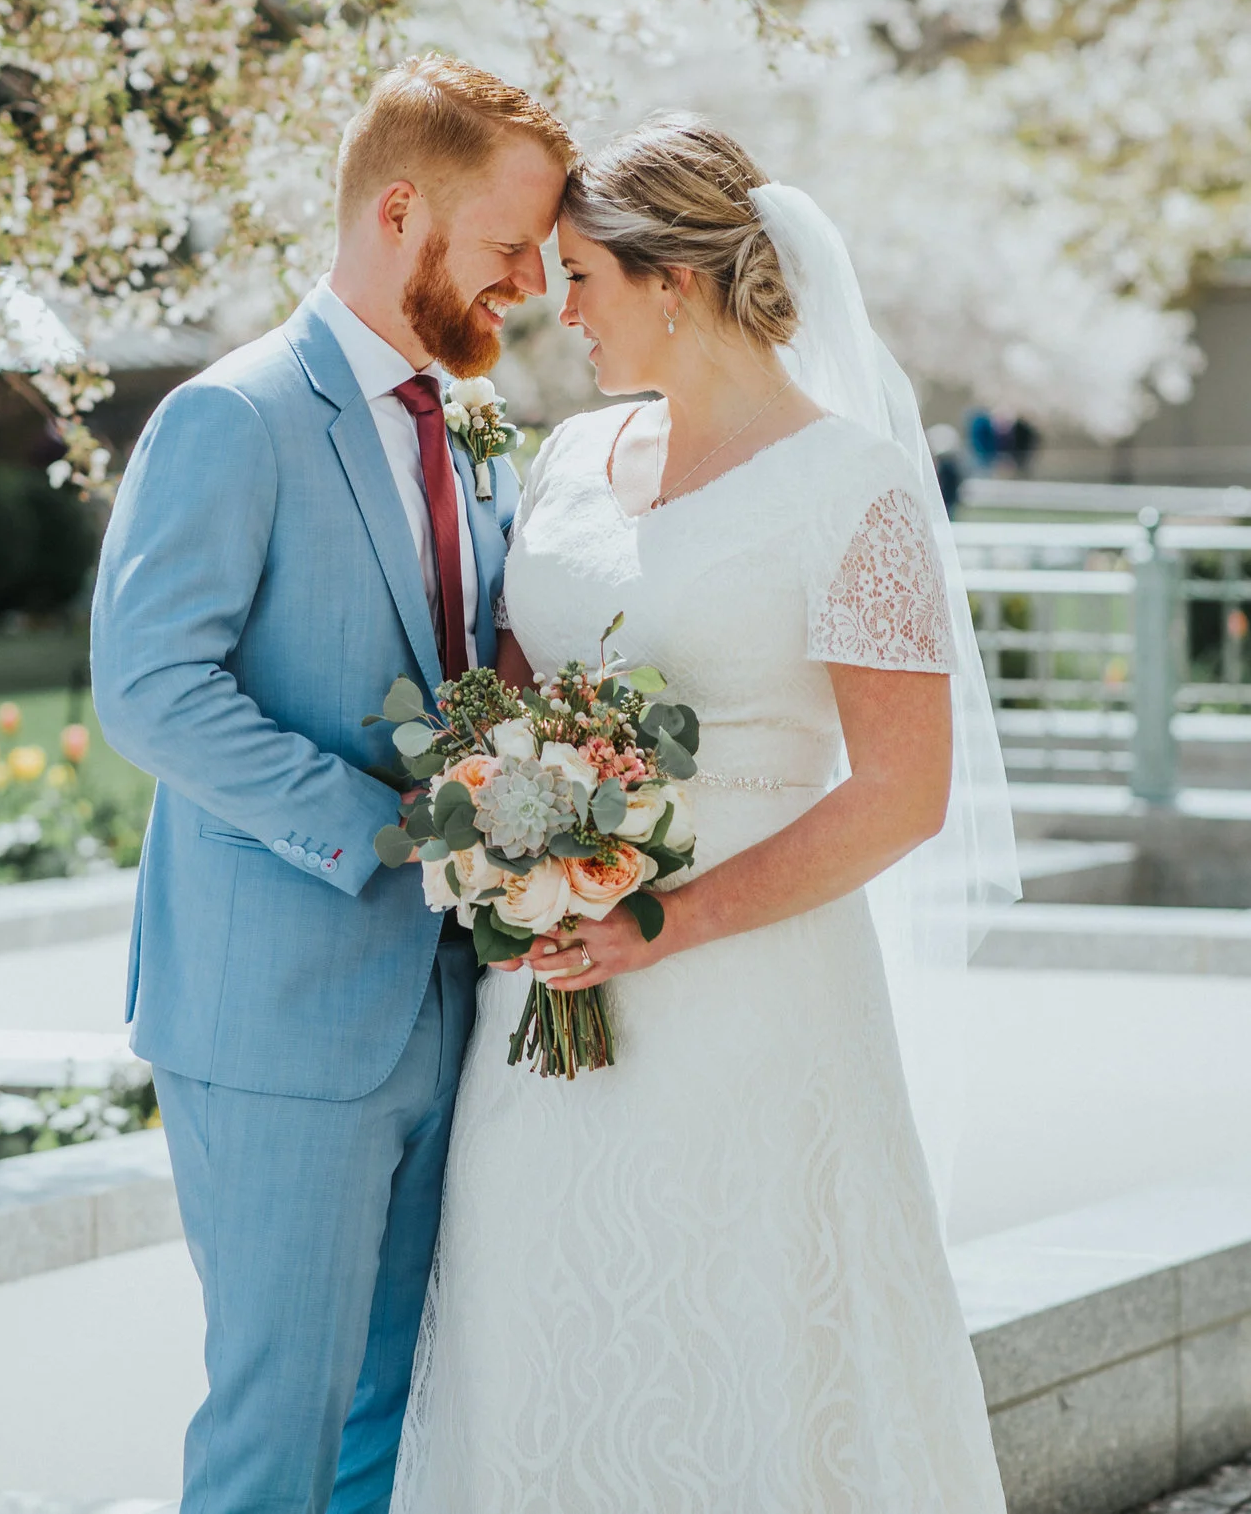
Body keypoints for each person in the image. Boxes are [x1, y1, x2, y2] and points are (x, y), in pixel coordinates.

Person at [393, 115, 1017, 1512]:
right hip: (544, 1009)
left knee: (747, 1344)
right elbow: (502, 710)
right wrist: (497, 831)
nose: (565, 312)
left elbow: (904, 796)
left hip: (754, 1003)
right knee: (542, 1331)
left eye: (585, 279)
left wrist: (660, 920)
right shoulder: (568, 464)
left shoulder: (852, 492)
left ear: (672, 280)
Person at [91, 54, 575, 1514]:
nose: (532, 286)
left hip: (447, 1007)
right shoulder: (232, 417)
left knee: (391, 1423)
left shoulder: (474, 431)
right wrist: (395, 830)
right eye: (507, 250)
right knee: (276, 1432)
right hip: (281, 1011)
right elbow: (153, 690)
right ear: (402, 212)